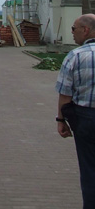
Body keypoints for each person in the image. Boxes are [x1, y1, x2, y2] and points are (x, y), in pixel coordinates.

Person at [55, 13, 95, 209]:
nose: (72, 33)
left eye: (74, 29)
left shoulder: (76, 55)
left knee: (89, 168)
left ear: (85, 30)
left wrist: (61, 120)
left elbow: (65, 93)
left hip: (85, 118)